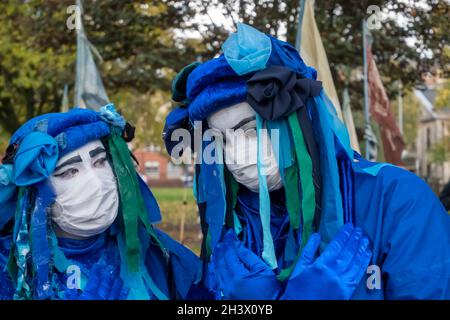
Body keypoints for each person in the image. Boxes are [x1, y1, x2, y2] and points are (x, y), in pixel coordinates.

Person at [163, 23, 450, 300]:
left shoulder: (398, 201)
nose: (235, 156)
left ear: (298, 119)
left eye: (251, 131)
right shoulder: (231, 221)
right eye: (221, 140)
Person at [0, 105, 200, 300]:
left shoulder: (154, 249)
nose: (97, 183)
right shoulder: (9, 266)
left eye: (100, 162)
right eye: (69, 171)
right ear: (35, 192)